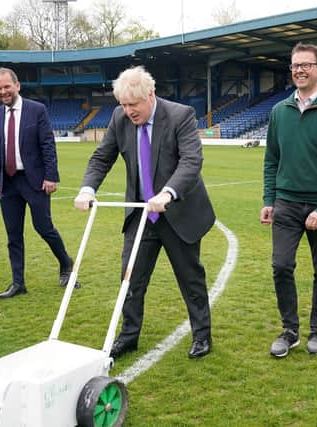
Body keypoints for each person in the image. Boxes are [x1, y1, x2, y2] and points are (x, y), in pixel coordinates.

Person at [74, 66, 215, 359]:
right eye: (123, 105)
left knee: (190, 279)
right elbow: (102, 157)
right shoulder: (119, 119)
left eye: (133, 105)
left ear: (150, 95)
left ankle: (201, 335)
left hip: (178, 213)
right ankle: (128, 336)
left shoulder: (180, 115)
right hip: (140, 215)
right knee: (130, 278)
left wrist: (168, 192)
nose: (128, 111)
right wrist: (88, 188)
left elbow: (191, 161)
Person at [261, 42, 317, 357]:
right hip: (286, 203)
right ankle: (290, 331)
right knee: (281, 265)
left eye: (305, 64)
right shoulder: (278, 111)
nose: (299, 70)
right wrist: (269, 199)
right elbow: (271, 160)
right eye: (294, 65)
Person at [0, 67, 79, 299]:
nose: (3, 91)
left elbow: (48, 145)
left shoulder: (36, 110)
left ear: (17, 85)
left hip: (35, 181)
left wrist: (51, 176)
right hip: (9, 183)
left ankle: (66, 265)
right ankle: (18, 283)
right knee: (13, 235)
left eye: (7, 86)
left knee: (44, 227)